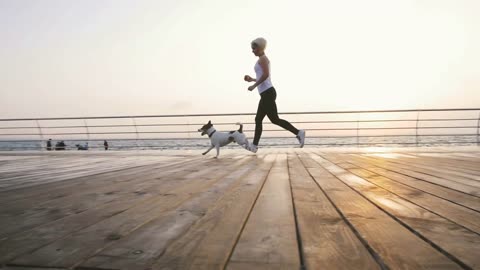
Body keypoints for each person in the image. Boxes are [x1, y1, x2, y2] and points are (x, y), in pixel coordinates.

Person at [244, 37, 305, 153]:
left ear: (260, 48)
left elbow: (266, 75)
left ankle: (254, 146)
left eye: (254, 48)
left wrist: (254, 86)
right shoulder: (261, 59)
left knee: (265, 119)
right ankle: (298, 133)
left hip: (268, 93)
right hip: (266, 93)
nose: (252, 50)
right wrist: (252, 79)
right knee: (269, 119)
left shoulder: (263, 59)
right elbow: (263, 76)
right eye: (252, 48)